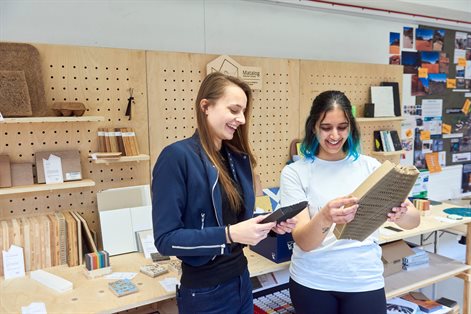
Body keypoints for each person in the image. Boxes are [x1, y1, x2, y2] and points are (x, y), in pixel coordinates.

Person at [152, 72, 296, 314]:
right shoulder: (177, 157)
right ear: (205, 106)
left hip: (241, 280)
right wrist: (229, 234)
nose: (241, 119)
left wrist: (266, 226)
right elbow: (166, 240)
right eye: (233, 110)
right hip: (204, 292)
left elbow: (237, 223)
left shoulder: (238, 159)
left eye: (243, 112)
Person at [279, 90, 420, 314]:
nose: (334, 135)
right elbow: (304, 241)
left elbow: (413, 222)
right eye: (326, 127)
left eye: (342, 127)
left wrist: (402, 213)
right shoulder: (295, 173)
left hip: (364, 279)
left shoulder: (371, 167)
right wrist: (325, 216)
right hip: (313, 281)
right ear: (313, 126)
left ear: (351, 127)